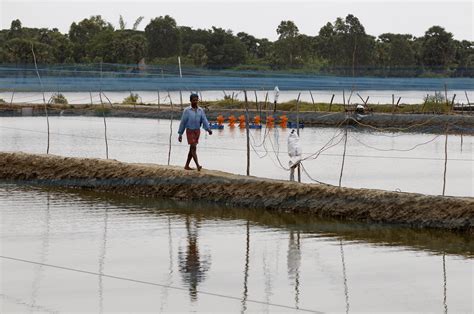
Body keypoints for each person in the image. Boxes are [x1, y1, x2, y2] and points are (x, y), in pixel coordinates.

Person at [178, 93, 212, 171]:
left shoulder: (200, 110)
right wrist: (180, 134)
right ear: (190, 101)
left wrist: (208, 129)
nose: (195, 102)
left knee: (192, 149)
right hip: (189, 131)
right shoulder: (187, 110)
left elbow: (204, 120)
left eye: (196, 100)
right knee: (193, 147)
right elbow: (183, 122)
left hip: (197, 131)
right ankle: (198, 165)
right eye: (194, 100)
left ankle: (186, 165)